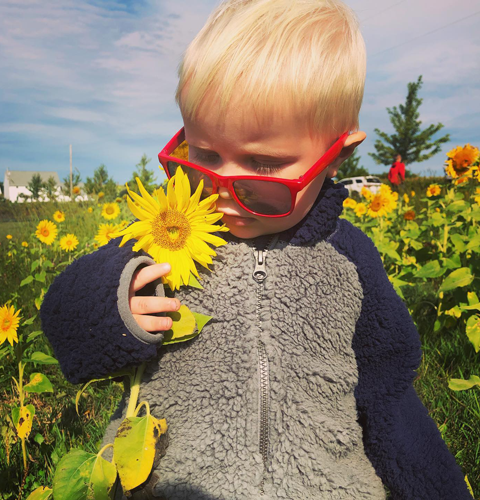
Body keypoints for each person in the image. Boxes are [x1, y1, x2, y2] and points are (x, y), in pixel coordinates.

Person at [40, 0, 473, 499]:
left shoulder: (349, 260)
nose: (222, 188)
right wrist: (113, 306)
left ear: (339, 156)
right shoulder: (162, 237)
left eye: (263, 167)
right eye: (202, 155)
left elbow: (389, 394)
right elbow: (67, 328)